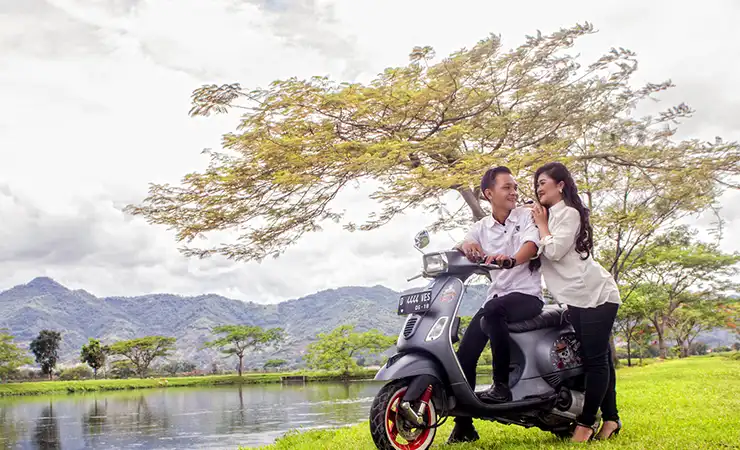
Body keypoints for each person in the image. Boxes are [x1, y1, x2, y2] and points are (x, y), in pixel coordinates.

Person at [448, 166, 543, 444]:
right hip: (497, 298)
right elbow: (465, 242)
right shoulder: (481, 227)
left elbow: (532, 245)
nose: (514, 192)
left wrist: (512, 259)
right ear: (489, 194)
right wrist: (466, 246)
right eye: (507, 187)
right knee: (465, 352)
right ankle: (464, 424)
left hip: (527, 296)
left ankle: (501, 387)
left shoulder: (526, 216)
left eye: (515, 187)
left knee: (492, 311)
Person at [530, 162, 622, 442]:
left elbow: (555, 251)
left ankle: (585, 424)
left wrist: (542, 224)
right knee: (601, 359)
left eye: (543, 182)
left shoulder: (568, 214)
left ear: (560, 185)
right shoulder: (546, 216)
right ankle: (612, 419)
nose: (538, 188)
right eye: (536, 184)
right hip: (576, 298)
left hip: (596, 294)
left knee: (595, 362)